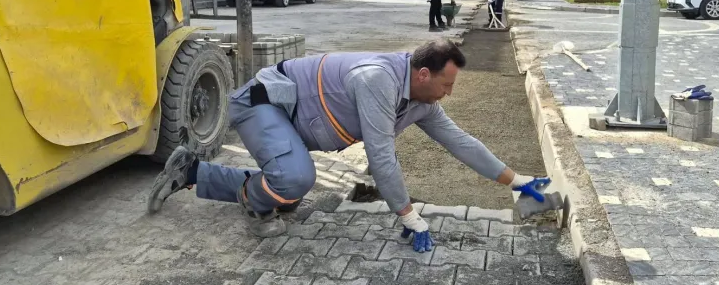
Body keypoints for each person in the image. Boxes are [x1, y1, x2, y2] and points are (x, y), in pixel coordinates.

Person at [147, 39, 550, 253]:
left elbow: (462, 143)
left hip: (295, 121)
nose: (447, 94)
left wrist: (517, 181)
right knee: (294, 180)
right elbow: (381, 156)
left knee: (288, 187)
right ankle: (253, 205)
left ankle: (192, 172)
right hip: (264, 104)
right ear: (424, 74)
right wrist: (409, 216)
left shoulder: (420, 102)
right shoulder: (378, 79)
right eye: (446, 85)